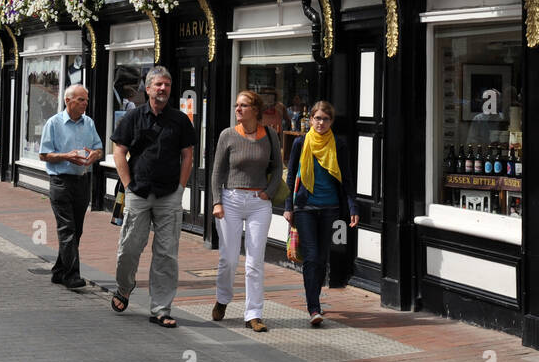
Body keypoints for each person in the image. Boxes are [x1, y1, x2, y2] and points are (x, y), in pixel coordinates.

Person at [109, 65, 195, 326]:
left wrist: (180, 188)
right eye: (158, 84)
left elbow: (188, 155)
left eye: (167, 85)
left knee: (166, 253)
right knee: (129, 248)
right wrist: (128, 185)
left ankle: (161, 309)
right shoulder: (133, 118)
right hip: (139, 192)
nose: (163, 89)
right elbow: (118, 151)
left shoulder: (180, 120)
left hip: (169, 194)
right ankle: (124, 287)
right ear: (147, 89)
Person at [210, 90, 283, 332]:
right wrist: (216, 201)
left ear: (255, 109)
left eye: (243, 105)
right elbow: (217, 171)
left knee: (254, 262)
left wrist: (268, 192)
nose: (238, 109)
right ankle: (223, 299)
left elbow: (278, 166)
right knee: (228, 259)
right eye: (236, 105)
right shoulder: (227, 135)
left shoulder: (270, 135)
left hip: (258, 202)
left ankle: (253, 314)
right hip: (230, 199)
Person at [284, 100, 358, 327]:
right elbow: (291, 175)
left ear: (331, 121)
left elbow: (346, 178)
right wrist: (288, 205)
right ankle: (313, 306)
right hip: (305, 207)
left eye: (325, 119)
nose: (321, 123)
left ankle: (314, 302)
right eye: (317, 118)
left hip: (330, 207)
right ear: (311, 120)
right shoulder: (300, 142)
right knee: (312, 255)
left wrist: (352, 207)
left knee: (322, 256)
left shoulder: (339, 144)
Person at [38, 84, 103, 290]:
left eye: (86, 100)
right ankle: (72, 275)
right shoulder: (54, 123)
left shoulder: (89, 123)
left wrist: (95, 155)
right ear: (68, 101)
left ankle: (59, 270)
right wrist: (68, 156)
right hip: (61, 182)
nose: (85, 104)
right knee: (67, 228)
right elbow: (44, 154)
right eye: (81, 100)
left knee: (77, 229)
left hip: (82, 181)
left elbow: (99, 148)